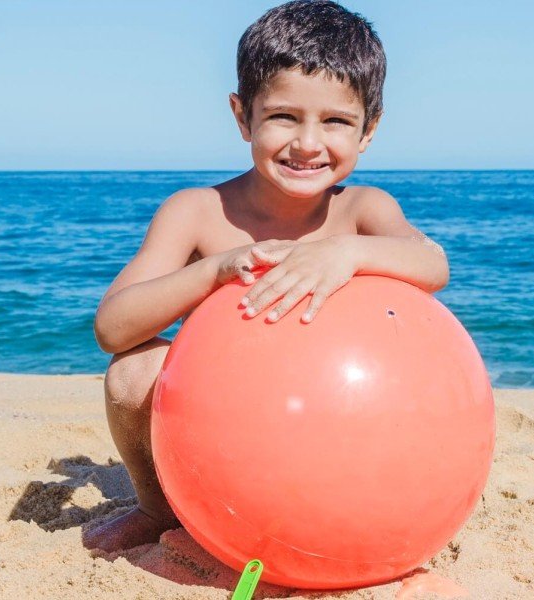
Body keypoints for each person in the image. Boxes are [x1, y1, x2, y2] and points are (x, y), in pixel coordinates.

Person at [85, 0, 450, 553]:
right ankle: (159, 509)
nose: (307, 143)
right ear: (242, 116)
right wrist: (214, 269)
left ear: (368, 130)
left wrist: (345, 254)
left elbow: (433, 265)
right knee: (133, 372)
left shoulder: (363, 211)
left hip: (343, 423)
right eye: (284, 116)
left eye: (336, 121)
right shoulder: (196, 213)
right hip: (231, 426)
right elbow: (113, 330)